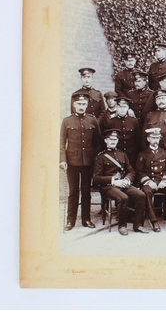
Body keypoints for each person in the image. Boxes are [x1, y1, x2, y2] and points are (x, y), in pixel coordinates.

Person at [93, 129, 148, 236]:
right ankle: (122, 225)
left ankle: (138, 225)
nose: (113, 141)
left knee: (141, 195)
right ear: (106, 141)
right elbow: (96, 178)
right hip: (108, 187)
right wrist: (114, 181)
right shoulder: (100, 157)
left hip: (123, 183)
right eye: (111, 139)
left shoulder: (122, 155)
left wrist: (127, 179)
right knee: (123, 198)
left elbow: (131, 171)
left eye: (115, 139)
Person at [60, 93, 101, 231]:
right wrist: (62, 160)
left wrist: (96, 161)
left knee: (86, 192)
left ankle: (86, 219)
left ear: (87, 105)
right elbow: (61, 143)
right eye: (79, 104)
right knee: (73, 192)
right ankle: (70, 221)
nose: (82, 106)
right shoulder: (67, 121)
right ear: (74, 105)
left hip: (88, 162)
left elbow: (98, 143)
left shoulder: (93, 120)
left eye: (84, 104)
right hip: (72, 162)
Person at [135, 128, 166, 232]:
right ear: (148, 139)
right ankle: (154, 221)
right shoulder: (142, 154)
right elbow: (140, 172)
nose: (155, 140)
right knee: (146, 192)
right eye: (153, 138)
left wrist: (165, 181)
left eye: (157, 138)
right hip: (150, 182)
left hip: (162, 181)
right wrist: (149, 182)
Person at [106, 97, 141, 167]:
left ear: (128, 108)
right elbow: (106, 139)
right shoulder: (111, 122)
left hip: (131, 155)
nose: (122, 109)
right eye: (120, 106)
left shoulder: (134, 121)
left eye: (124, 107)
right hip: (116, 155)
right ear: (116, 107)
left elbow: (138, 139)